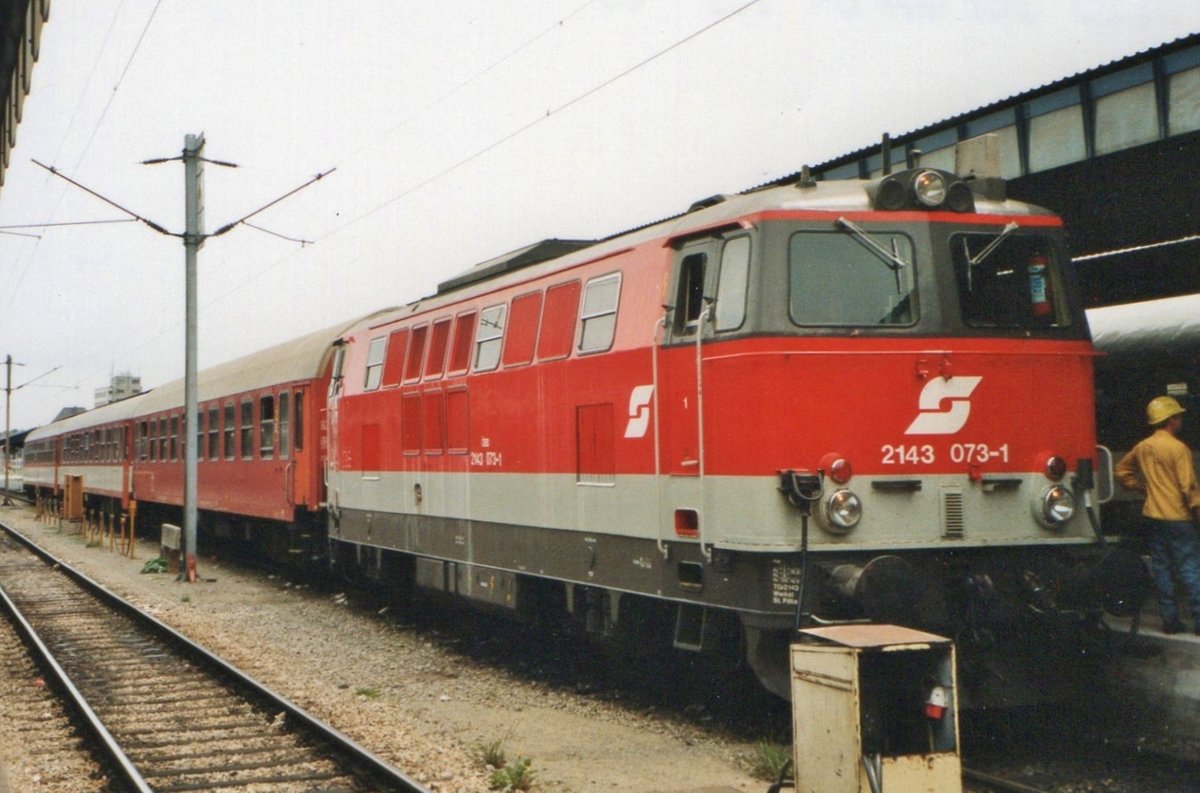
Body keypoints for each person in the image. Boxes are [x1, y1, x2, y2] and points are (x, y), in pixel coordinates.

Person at [1115, 396, 1200, 634]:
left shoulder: (1143, 447)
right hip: (1179, 517)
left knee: (1162, 569)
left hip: (1153, 516)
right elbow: (1188, 486)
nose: (1180, 420)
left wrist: (1141, 487)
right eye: (1178, 416)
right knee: (1190, 568)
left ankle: (1170, 621)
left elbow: (1121, 470)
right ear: (1171, 419)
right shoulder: (1178, 448)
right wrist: (1197, 509)